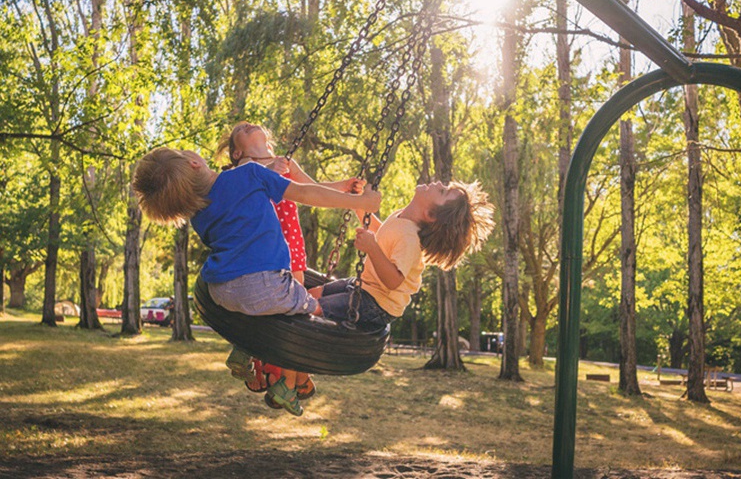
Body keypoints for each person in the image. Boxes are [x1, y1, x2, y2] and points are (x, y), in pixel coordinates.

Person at [131, 146, 380, 416]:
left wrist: (268, 173)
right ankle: (285, 385)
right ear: (194, 163)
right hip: (265, 283)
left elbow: (236, 201)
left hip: (221, 291)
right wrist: (359, 203)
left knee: (260, 309)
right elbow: (305, 193)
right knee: (316, 312)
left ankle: (244, 349)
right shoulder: (250, 174)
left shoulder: (198, 215)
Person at [215, 121, 365, 405]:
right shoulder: (241, 172)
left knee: (291, 313)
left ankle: (287, 378)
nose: (247, 124)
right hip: (261, 250)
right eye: (241, 129)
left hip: (291, 249)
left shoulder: (285, 163)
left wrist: (344, 189)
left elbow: (311, 189)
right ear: (236, 152)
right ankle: (249, 355)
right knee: (261, 302)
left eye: (251, 125)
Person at [308, 180, 494, 333]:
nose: (438, 183)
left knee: (311, 307)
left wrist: (372, 248)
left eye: (443, 191)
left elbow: (393, 281)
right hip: (364, 286)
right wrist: (359, 203)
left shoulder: (410, 239)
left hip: (376, 304)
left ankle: (296, 375)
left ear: (430, 214)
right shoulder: (402, 218)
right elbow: (382, 232)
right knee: (311, 294)